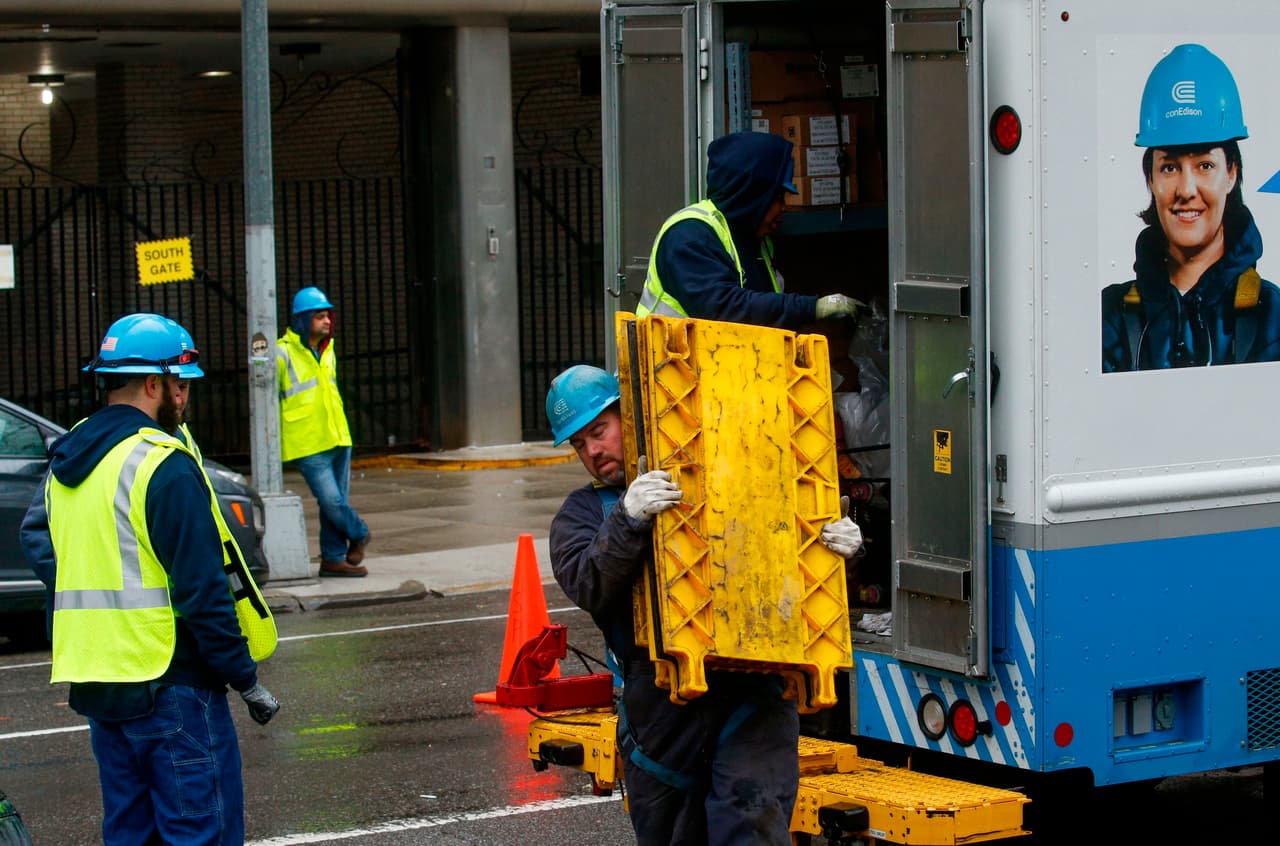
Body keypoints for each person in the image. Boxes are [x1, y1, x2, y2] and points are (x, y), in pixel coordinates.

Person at [544, 364, 864, 845]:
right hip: (661, 716)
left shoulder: (725, 471)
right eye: (579, 444)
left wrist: (843, 554)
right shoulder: (582, 515)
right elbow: (589, 583)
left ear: (627, 414)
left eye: (598, 430)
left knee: (749, 826)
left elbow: (791, 563)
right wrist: (629, 519)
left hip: (752, 691)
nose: (593, 451)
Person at [19, 313, 279, 845]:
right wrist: (245, 678)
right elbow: (203, 591)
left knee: (131, 834)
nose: (185, 396)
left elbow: (45, 546)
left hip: (98, 680)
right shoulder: (161, 462)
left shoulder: (69, 460)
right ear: (155, 382)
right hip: (172, 681)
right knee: (200, 832)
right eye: (181, 383)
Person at [1101, 43, 1280, 371]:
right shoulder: (1109, 317)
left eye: (1204, 166)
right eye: (1169, 167)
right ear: (1151, 180)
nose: (1185, 189)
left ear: (1231, 174)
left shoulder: (1272, 316)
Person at [636, 130, 862, 329]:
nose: (783, 207)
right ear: (751, 195)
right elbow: (723, 308)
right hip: (671, 372)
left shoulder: (751, 239)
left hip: (720, 370)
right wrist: (811, 308)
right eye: (777, 197)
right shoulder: (689, 236)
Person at [277, 285, 371, 577]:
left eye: (328, 316)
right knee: (330, 500)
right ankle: (360, 533)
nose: (327, 321)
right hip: (306, 441)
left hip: (338, 436)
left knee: (335, 502)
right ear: (303, 320)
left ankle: (332, 559)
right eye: (319, 317)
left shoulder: (328, 350)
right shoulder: (282, 353)